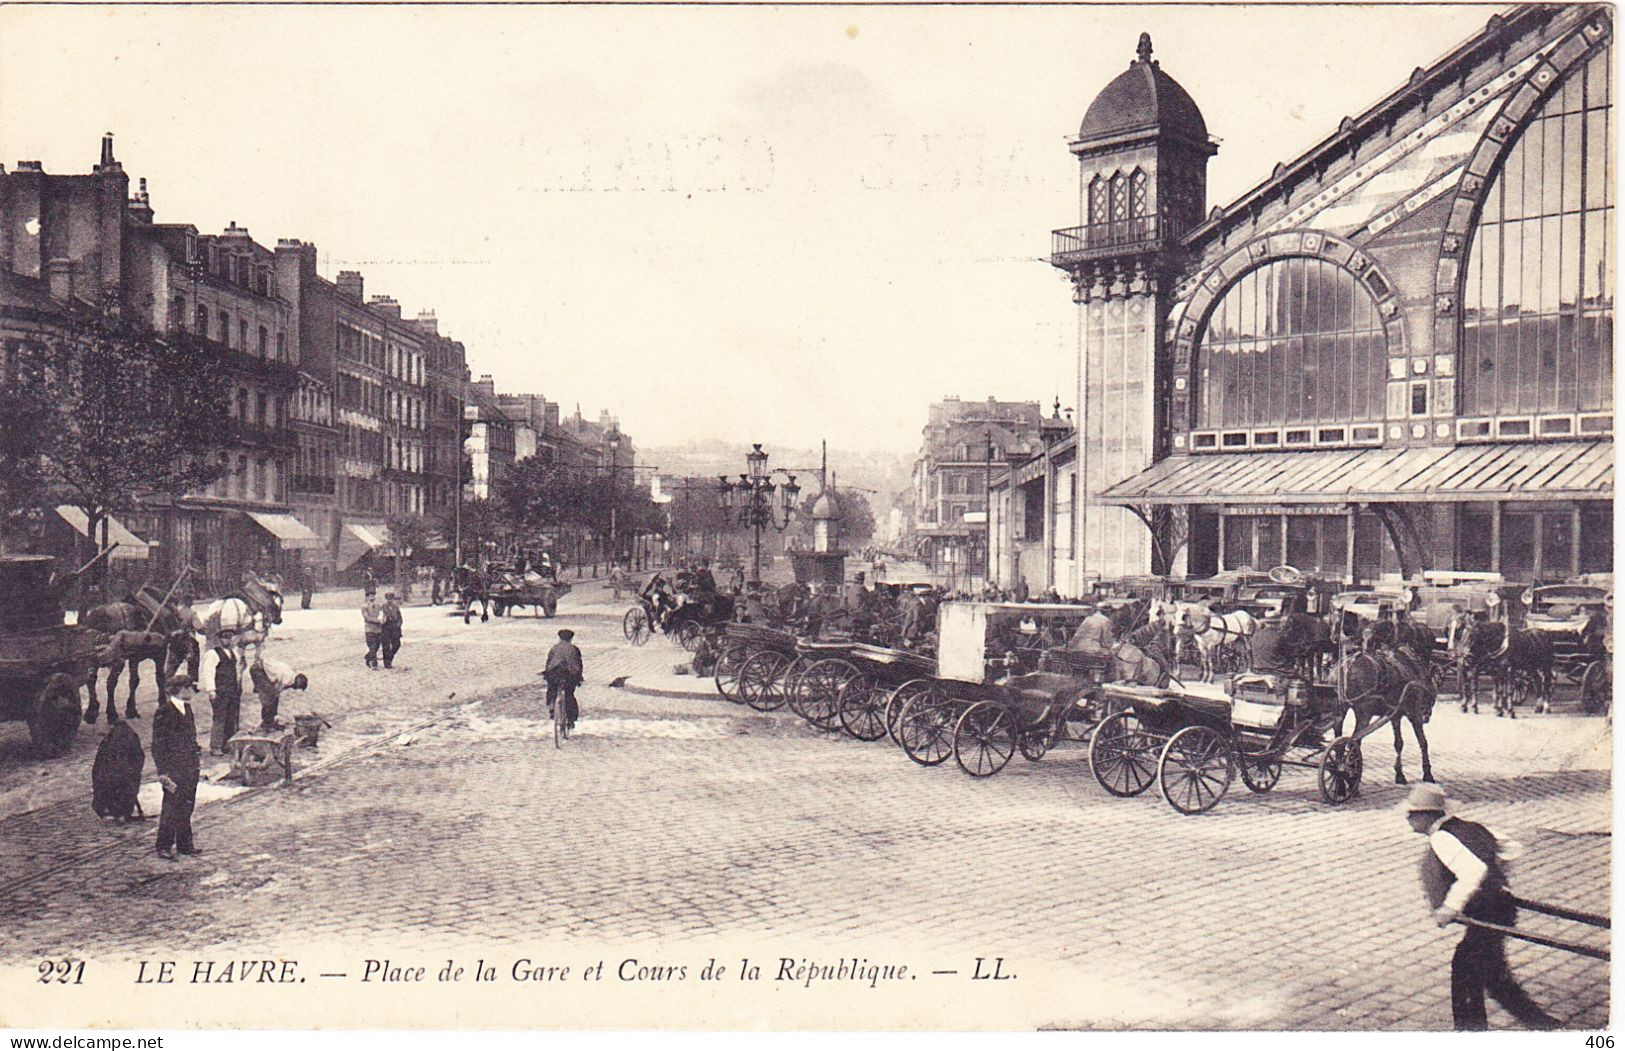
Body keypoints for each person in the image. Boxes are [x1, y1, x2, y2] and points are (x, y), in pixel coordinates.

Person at [1403, 783, 1559, 1031]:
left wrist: (1449, 908)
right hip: (1500, 905)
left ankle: (1472, 1033)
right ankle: (1542, 1025)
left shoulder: (1442, 838)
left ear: (1428, 815)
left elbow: (1474, 871)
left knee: (1466, 970)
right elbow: (1511, 848)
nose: (1408, 818)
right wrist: (1498, 880)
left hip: (1490, 910)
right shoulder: (1470, 827)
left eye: (1413, 813)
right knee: (1491, 975)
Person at [152, 674, 203, 860]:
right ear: (181, 690)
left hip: (189, 767)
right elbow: (158, 744)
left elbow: (189, 736)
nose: (192, 691)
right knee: (171, 807)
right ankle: (163, 846)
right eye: (189, 688)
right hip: (173, 769)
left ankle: (185, 845)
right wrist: (162, 771)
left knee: (187, 806)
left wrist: (196, 751)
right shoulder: (164, 711)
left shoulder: (186, 708)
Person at [199, 631, 241, 755]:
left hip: (232, 691)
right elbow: (208, 672)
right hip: (220, 691)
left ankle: (227, 743)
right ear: (219, 639)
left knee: (231, 717)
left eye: (230, 638)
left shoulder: (234, 654)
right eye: (225, 638)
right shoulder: (213, 654)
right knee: (219, 718)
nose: (228, 640)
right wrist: (211, 690)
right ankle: (215, 746)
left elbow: (236, 672)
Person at [249, 655, 307, 730]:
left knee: (272, 695)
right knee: (269, 697)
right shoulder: (287, 678)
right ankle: (267, 724)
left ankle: (270, 721)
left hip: (263, 670)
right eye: (297, 687)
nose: (294, 689)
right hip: (258, 669)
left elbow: (277, 690)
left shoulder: (290, 677)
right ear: (297, 683)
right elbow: (274, 691)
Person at [544, 628, 584, 731]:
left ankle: (552, 705)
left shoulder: (554, 648)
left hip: (554, 673)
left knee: (551, 689)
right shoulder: (574, 649)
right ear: (571, 638)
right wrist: (579, 677)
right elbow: (579, 665)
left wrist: (547, 674)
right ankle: (571, 720)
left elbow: (548, 663)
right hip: (569, 674)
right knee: (569, 694)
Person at [362, 590, 386, 669]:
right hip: (369, 629)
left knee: (377, 646)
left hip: (378, 629)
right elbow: (367, 618)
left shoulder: (378, 606)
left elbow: (383, 614)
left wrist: (383, 619)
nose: (372, 597)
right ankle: (374, 664)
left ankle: (368, 657)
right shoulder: (364, 607)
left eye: (373, 596)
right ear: (367, 597)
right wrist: (378, 621)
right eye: (370, 596)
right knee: (372, 646)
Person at [381, 592, 404, 669]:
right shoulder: (383, 607)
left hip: (395, 628)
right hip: (386, 628)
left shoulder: (396, 607)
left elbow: (400, 618)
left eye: (391, 599)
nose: (389, 600)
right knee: (386, 646)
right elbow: (381, 617)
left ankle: (390, 657)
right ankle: (387, 663)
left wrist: (398, 625)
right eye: (388, 599)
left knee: (397, 644)